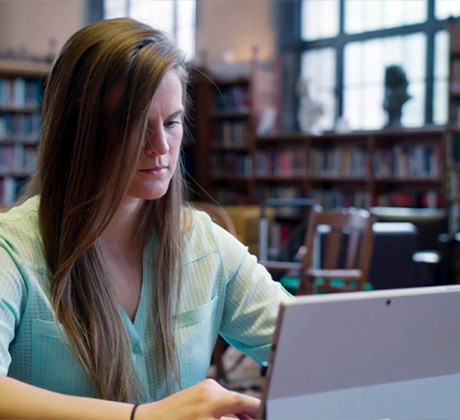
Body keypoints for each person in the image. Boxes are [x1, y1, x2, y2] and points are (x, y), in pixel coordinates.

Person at [0, 18, 290, 420]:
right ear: (78, 131)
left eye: (172, 122)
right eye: (135, 126)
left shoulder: (204, 243)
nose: (161, 148)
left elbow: (304, 348)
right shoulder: (11, 250)